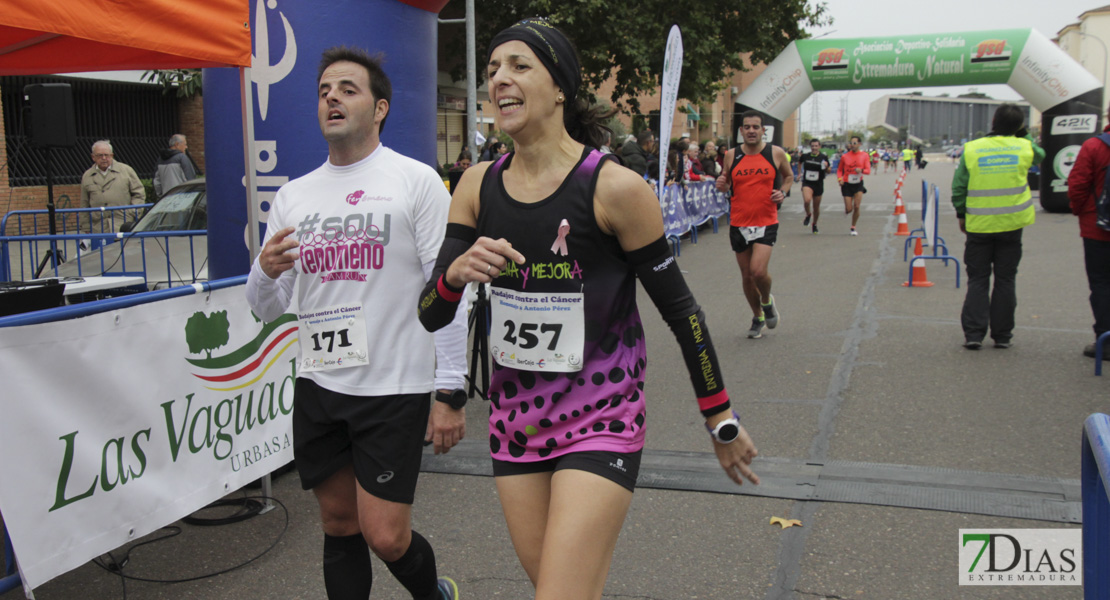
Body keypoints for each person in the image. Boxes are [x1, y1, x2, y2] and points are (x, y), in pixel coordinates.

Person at [417, 18, 758, 600]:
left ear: (560, 88)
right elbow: (430, 313)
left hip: (600, 420)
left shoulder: (614, 189)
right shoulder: (475, 185)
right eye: (493, 69)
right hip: (516, 425)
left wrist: (720, 417)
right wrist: (451, 276)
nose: (500, 78)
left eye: (519, 66)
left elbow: (684, 314)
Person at [245, 46, 465, 600]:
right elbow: (267, 306)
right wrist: (265, 271)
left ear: (381, 107)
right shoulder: (294, 196)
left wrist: (451, 390)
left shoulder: (415, 182)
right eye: (323, 91)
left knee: (387, 536)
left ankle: (434, 595)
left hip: (392, 386)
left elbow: (452, 289)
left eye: (347, 89)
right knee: (339, 525)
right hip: (320, 383)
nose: (332, 99)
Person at [951, 103, 1043, 350]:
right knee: (1006, 280)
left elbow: (959, 186)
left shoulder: (972, 149)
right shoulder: (1024, 147)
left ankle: (973, 333)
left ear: (993, 120)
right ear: (1020, 126)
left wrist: (962, 213)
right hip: (1012, 225)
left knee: (978, 279)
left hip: (979, 225)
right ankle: (1002, 336)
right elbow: (1041, 155)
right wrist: (1022, 134)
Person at [715, 110, 793, 339]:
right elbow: (726, 182)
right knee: (747, 276)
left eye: (755, 127)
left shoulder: (775, 153)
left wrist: (783, 192)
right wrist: (722, 184)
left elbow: (788, 177)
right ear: (741, 131)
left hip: (766, 220)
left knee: (758, 271)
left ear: (762, 130)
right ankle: (758, 316)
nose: (751, 130)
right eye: (747, 127)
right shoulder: (731, 155)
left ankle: (767, 301)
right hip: (739, 221)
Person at [1067, 103, 1110, 360]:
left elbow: (1078, 184)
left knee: (1102, 283)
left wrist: (1081, 211)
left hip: (1097, 228)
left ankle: (1105, 339)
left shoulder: (1095, 146)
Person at [79, 140, 145, 233]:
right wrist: (86, 227)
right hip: (98, 227)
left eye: (107, 155)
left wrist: (132, 212)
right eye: (100, 155)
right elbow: (84, 203)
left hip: (123, 225)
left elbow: (139, 194)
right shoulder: (87, 175)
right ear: (93, 157)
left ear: (112, 155)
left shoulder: (126, 170)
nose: (104, 158)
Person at [837, 135, 870, 236]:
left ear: (859, 144)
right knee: (849, 209)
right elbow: (839, 170)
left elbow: (868, 171)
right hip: (847, 184)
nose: (852, 145)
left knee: (856, 206)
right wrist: (840, 179)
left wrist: (862, 170)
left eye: (855, 143)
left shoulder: (864, 155)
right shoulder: (845, 156)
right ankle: (847, 209)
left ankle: (853, 226)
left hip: (858, 183)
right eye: (851, 143)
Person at [799, 139, 831, 234]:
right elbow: (800, 162)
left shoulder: (823, 157)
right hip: (807, 182)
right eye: (812, 146)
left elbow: (828, 171)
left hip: (818, 183)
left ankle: (815, 224)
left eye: (816, 146)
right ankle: (808, 214)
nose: (814, 147)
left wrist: (826, 166)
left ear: (819, 147)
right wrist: (799, 173)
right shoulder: (805, 156)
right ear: (810, 146)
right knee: (807, 200)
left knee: (816, 207)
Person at [153, 134, 198, 198]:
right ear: (177, 144)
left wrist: (162, 196)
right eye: (185, 144)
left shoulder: (160, 159)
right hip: (182, 199)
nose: (186, 147)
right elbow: (191, 180)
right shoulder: (182, 158)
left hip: (166, 199)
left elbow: (157, 182)